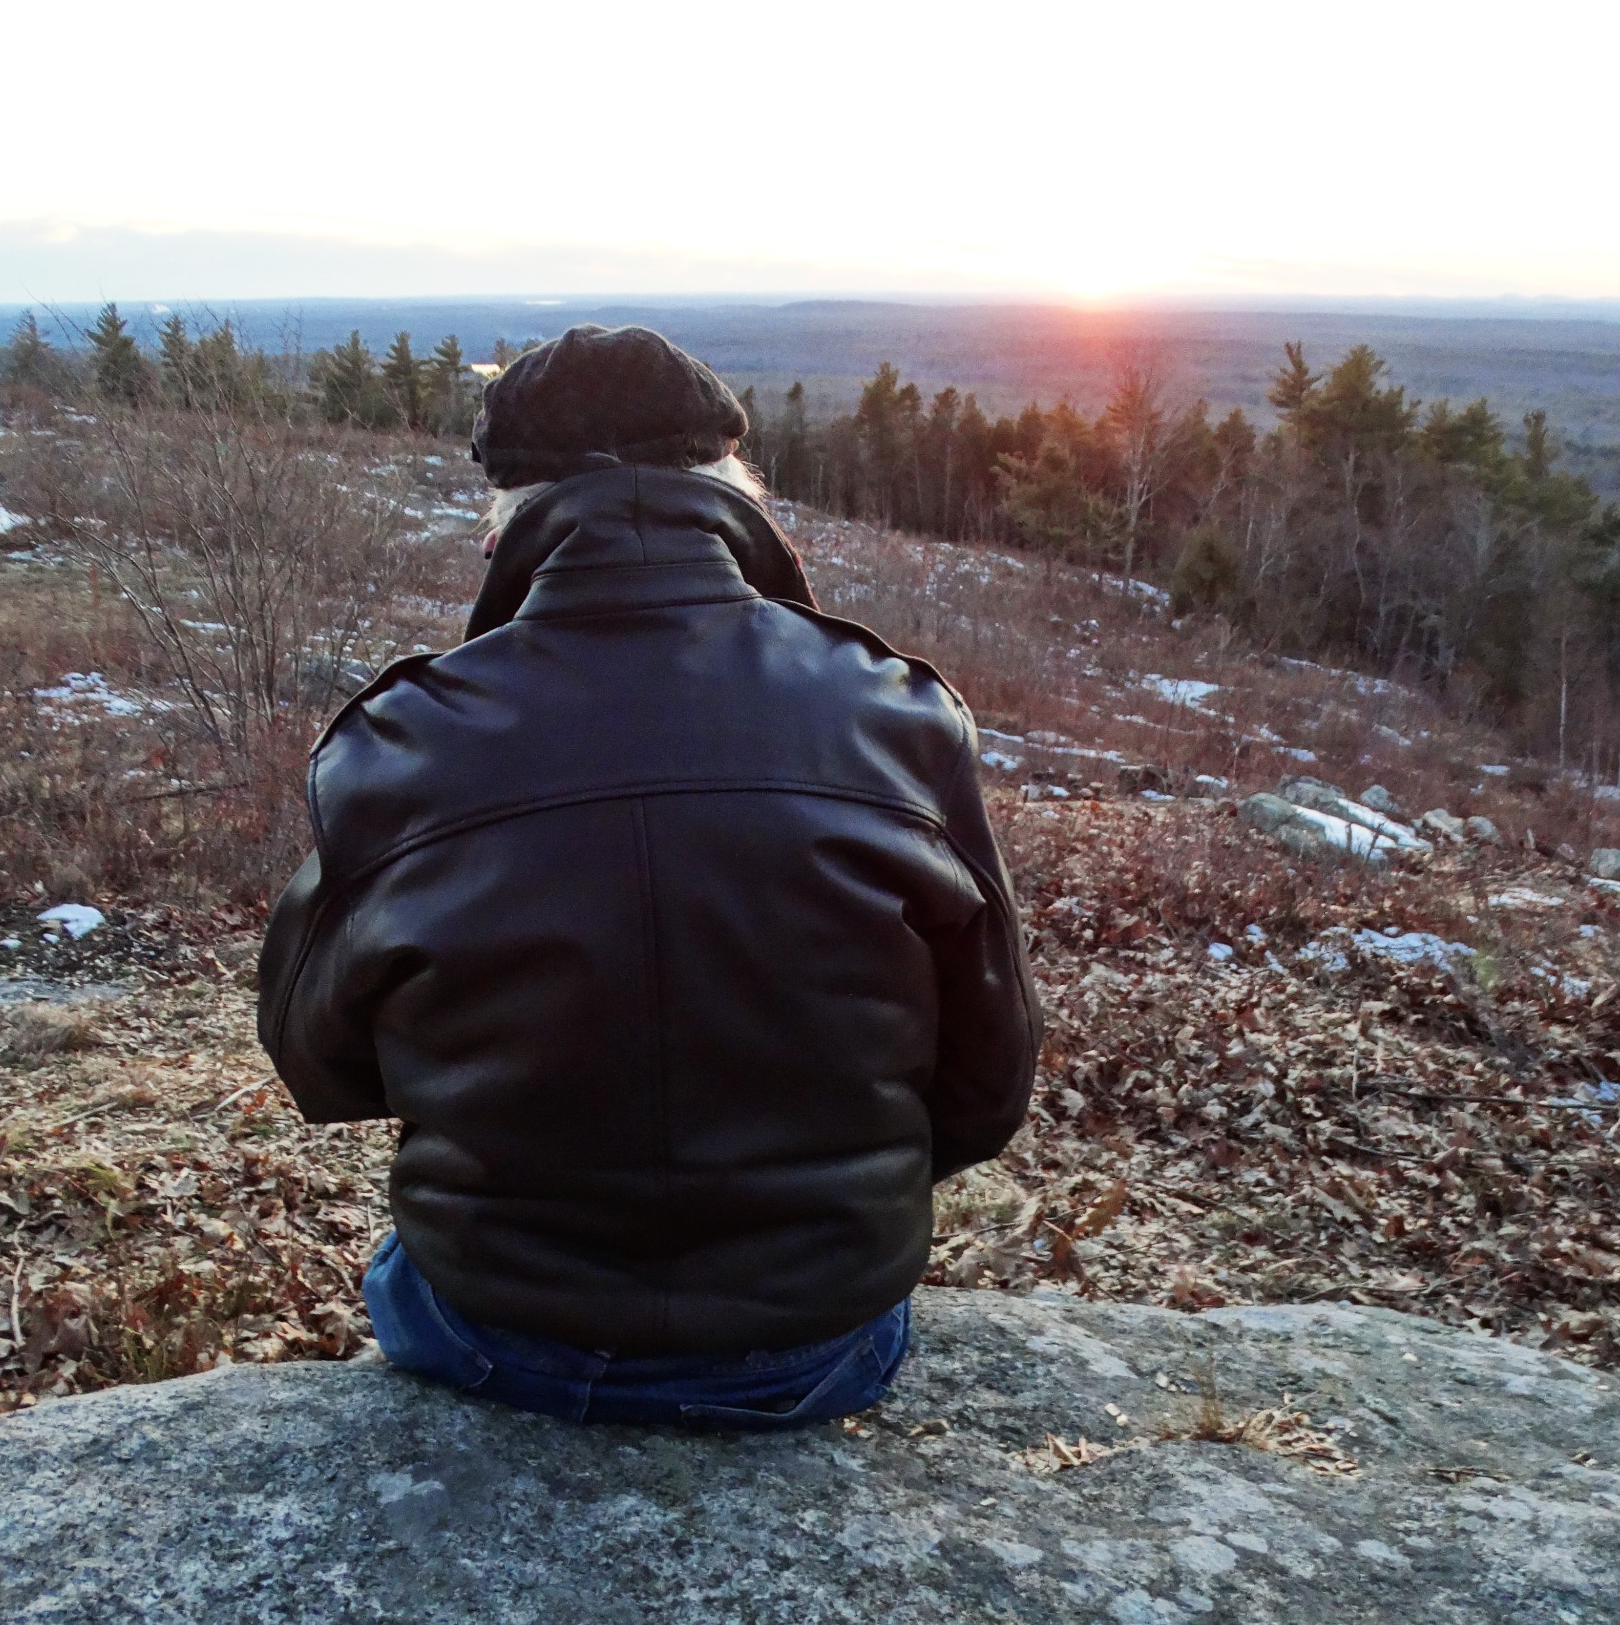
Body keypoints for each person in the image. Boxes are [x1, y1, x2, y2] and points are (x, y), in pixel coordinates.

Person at [257, 324, 1039, 1430]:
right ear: (737, 498)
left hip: (498, 1330)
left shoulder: (401, 744)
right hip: (822, 1340)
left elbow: (319, 1066)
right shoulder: (896, 714)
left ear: (503, 531)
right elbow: (988, 1079)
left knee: (404, 1267)